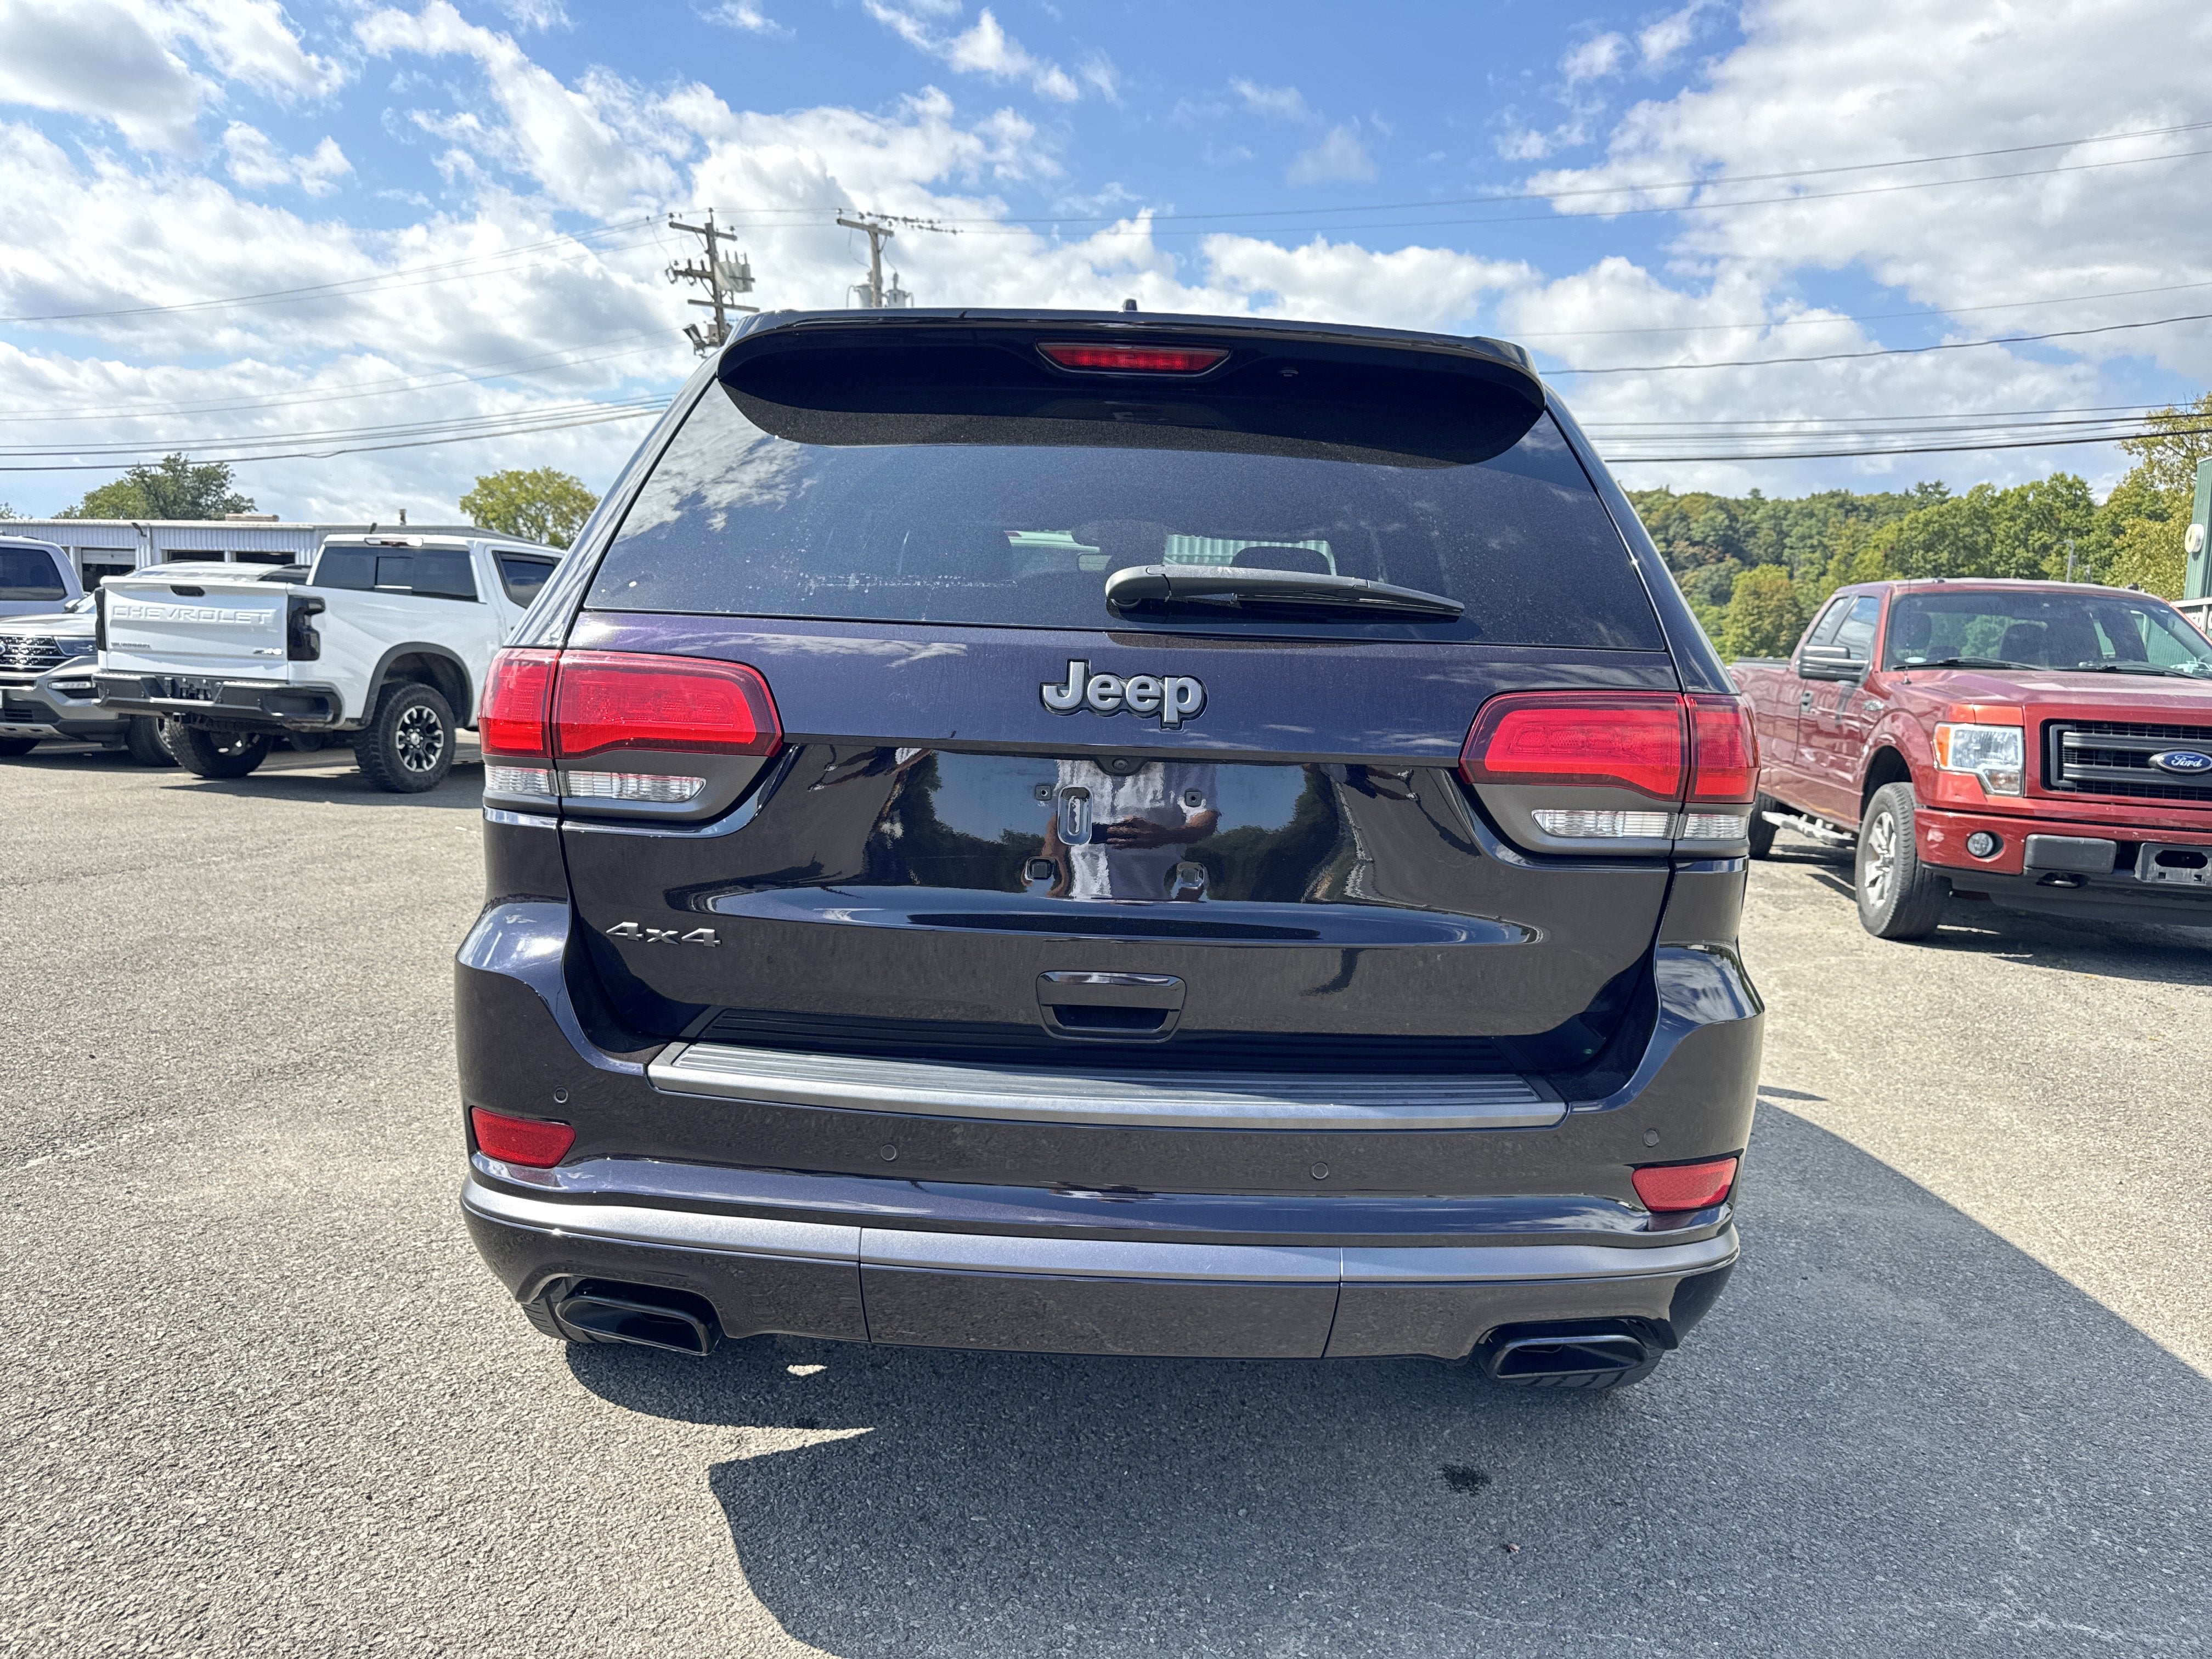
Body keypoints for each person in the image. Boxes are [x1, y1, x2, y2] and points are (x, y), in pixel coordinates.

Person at [1043, 759, 1219, 899]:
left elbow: (1205, 819)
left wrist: (1163, 836)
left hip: (1152, 902)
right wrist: (1056, 873)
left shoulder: (1181, 756)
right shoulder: (1078, 756)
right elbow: (1063, 810)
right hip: (1082, 898)